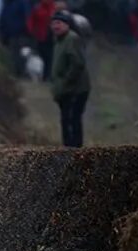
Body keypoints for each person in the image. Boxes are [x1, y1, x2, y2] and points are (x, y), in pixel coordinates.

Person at [51, 11, 90, 148]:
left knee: (72, 120)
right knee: (66, 121)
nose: (56, 26)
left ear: (67, 25)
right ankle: (68, 150)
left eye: (59, 23)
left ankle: (75, 151)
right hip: (65, 89)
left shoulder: (72, 39)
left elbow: (78, 64)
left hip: (75, 89)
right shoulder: (58, 41)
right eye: (54, 23)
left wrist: (66, 81)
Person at [0, 0, 32, 77]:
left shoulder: (22, 3)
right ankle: (17, 73)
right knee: (13, 54)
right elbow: (3, 19)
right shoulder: (7, 4)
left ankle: (23, 73)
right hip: (12, 34)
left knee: (22, 54)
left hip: (22, 33)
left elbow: (27, 17)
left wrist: (26, 30)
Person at [27, 0, 57, 80]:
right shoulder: (38, 8)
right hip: (40, 36)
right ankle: (44, 75)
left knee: (50, 56)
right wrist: (32, 30)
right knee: (43, 56)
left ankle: (48, 75)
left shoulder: (54, 8)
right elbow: (31, 20)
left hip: (51, 36)